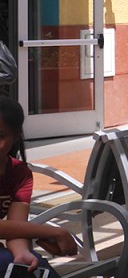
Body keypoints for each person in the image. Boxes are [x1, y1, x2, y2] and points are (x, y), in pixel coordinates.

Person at [0, 97, 79, 276]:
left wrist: (21, 252)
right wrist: (54, 232)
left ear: (16, 136)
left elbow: (17, 226)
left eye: (0, 136)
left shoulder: (20, 173)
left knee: (35, 266)